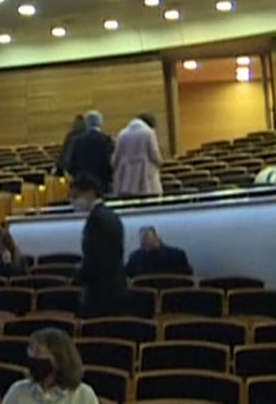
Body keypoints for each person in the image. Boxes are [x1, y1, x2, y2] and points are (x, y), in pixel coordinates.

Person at [70, 175, 126, 318]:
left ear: (90, 192)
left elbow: (96, 259)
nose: (73, 201)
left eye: (76, 196)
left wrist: (77, 276)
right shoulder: (111, 215)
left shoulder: (96, 219)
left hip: (101, 293)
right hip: (115, 287)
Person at [1, 327, 98, 404]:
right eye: (30, 352)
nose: (32, 358)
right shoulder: (17, 391)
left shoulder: (83, 394)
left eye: (38, 352)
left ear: (59, 358)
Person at [112, 115, 163, 198]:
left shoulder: (122, 134)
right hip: (146, 176)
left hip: (127, 179)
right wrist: (160, 163)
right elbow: (154, 154)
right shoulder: (149, 132)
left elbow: (116, 158)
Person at [67, 111, 114, 195]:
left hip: (82, 185)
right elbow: (110, 162)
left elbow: (71, 164)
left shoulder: (76, 141)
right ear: (100, 123)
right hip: (102, 183)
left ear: (86, 123)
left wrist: (77, 177)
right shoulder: (106, 140)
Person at [125, 227, 192, 278]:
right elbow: (127, 274)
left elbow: (187, 276)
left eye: (146, 238)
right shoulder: (135, 257)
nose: (143, 242)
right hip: (142, 291)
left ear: (157, 238)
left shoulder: (177, 255)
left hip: (172, 290)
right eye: (141, 239)